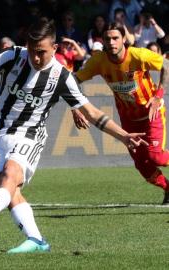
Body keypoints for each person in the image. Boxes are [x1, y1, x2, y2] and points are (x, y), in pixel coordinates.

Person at [0, 18, 147, 254]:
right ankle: (37, 241)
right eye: (32, 51)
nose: (35, 58)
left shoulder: (62, 77)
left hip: (30, 137)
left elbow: (91, 112)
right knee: (10, 190)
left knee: (11, 174)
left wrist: (123, 136)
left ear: (54, 49)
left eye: (41, 52)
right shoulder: (14, 56)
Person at [72, 22, 169, 204]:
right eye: (107, 39)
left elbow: (166, 65)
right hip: (128, 121)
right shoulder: (98, 61)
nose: (111, 42)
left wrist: (158, 96)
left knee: (155, 156)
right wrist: (75, 106)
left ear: (124, 39)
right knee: (142, 165)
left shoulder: (138, 54)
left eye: (115, 38)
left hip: (151, 114)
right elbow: (74, 80)